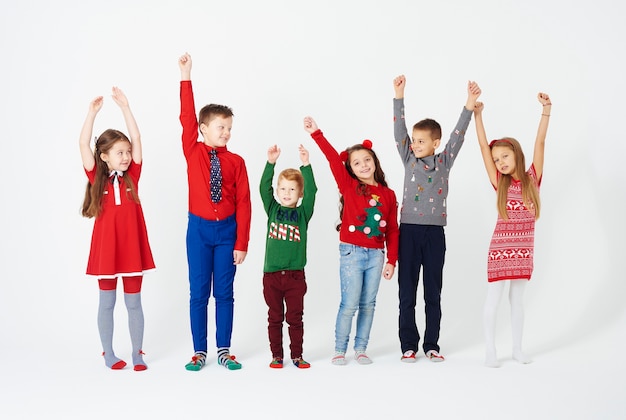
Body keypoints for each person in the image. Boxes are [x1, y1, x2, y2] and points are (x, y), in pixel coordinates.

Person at [393, 75, 481, 363]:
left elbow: (458, 134)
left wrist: (469, 104)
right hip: (408, 231)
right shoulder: (409, 160)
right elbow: (399, 132)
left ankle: (431, 344)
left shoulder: (444, 161)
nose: (415, 144)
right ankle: (408, 344)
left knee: (433, 290)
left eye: (421, 141)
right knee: (407, 291)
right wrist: (399, 95)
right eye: (414, 141)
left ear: (435, 143)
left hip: (434, 234)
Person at [303, 116, 399, 366]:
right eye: (357, 163)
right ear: (351, 169)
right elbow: (334, 159)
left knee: (368, 304)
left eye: (367, 160)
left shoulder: (388, 194)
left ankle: (361, 348)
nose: (363, 165)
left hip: (376, 255)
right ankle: (339, 349)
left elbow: (393, 230)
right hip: (351, 252)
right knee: (349, 304)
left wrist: (392, 260)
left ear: (375, 162)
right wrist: (317, 134)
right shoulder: (349, 186)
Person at [178, 53, 251, 371]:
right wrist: (186, 76)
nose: (226, 133)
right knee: (198, 292)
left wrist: (242, 242)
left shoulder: (236, 161)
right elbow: (185, 118)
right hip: (198, 231)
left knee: (224, 292)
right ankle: (199, 351)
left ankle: (224, 349)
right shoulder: (192, 150)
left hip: (227, 233)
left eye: (230, 128)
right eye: (221, 127)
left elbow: (246, 203)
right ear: (204, 128)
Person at [79, 87, 155, 371]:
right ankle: (108, 353)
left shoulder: (132, 176)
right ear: (105, 156)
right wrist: (91, 113)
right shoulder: (96, 176)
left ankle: (138, 353)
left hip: (132, 248)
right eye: (119, 152)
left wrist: (126, 107)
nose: (126, 156)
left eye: (127, 152)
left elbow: (136, 137)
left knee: (134, 303)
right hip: (106, 251)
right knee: (107, 302)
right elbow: (84, 143)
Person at [473, 92, 551, 367]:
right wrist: (478, 115)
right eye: (497, 160)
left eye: (504, 156)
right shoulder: (500, 183)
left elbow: (539, 142)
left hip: (524, 249)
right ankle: (490, 351)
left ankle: (517, 348)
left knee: (517, 300)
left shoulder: (533, 178)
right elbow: (483, 148)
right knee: (493, 298)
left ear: (516, 155)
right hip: (500, 249)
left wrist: (546, 110)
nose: (500, 162)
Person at [260, 144, 317, 369]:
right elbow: (263, 188)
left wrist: (306, 166)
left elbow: (312, 192)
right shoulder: (273, 209)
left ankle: (296, 355)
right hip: (272, 276)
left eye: (292, 190)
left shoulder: (303, 214)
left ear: (299, 193)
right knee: (275, 318)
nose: (286, 193)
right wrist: (270, 163)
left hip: (295, 277)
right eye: (283, 189)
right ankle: (276, 355)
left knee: (295, 318)